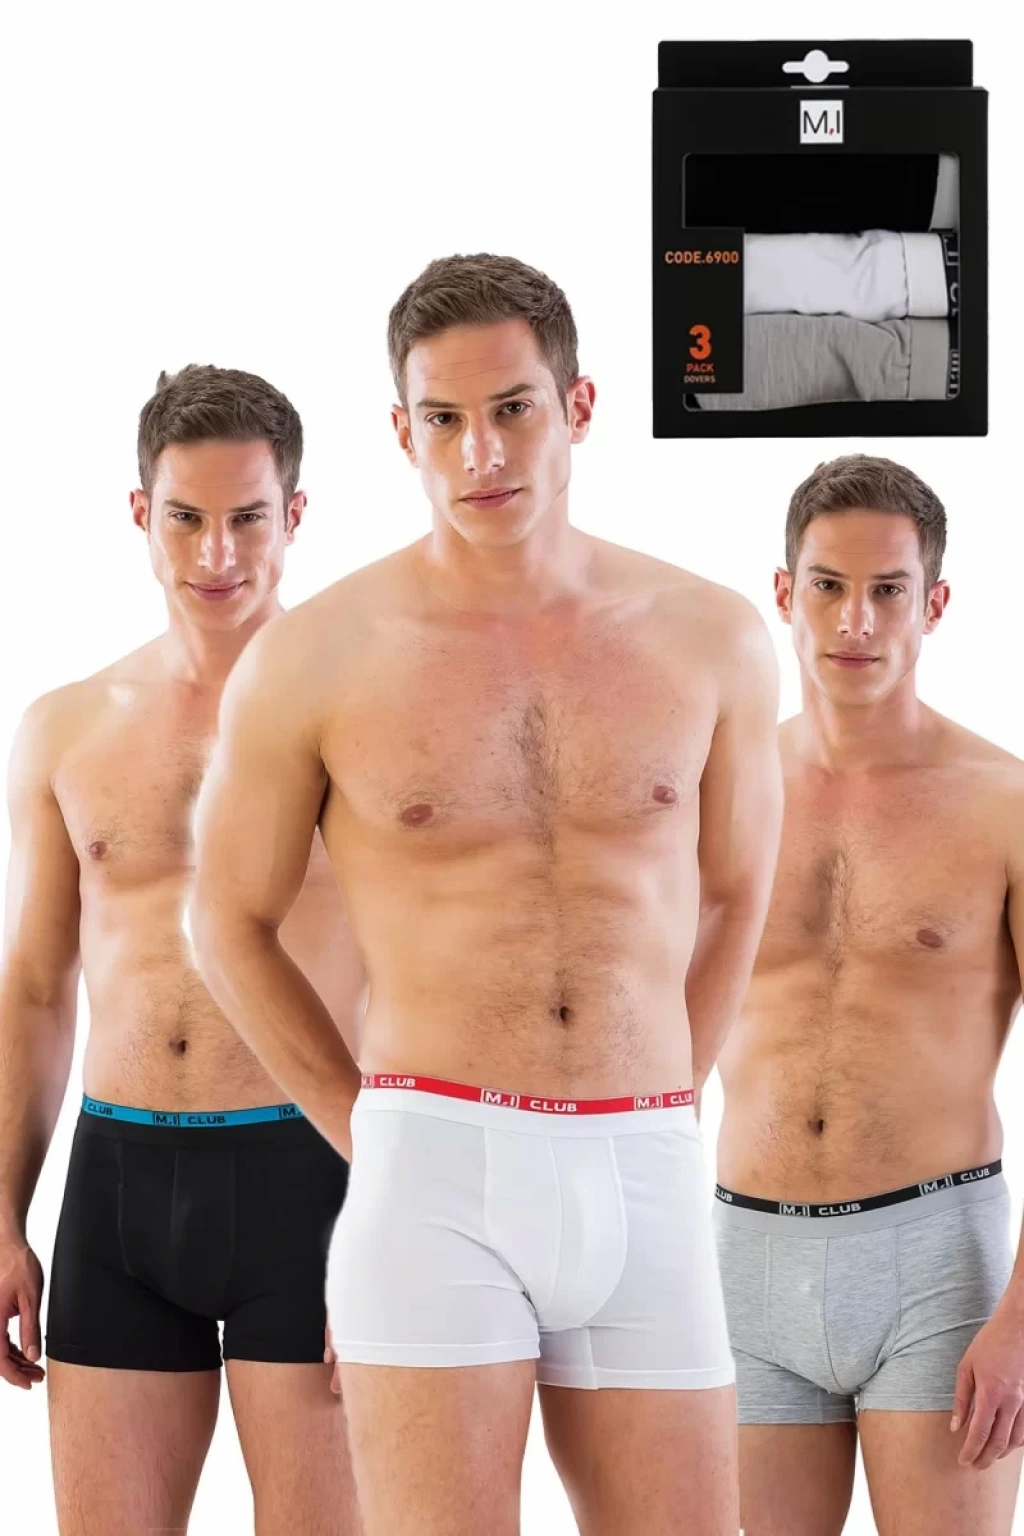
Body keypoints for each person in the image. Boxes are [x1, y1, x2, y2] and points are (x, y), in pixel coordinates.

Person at [190, 253, 783, 1536]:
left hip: (644, 1162)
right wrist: (372, 1130)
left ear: (578, 406)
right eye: (443, 420)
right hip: (432, 1169)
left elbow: (737, 891)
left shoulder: (713, 635)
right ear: (402, 432)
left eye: (512, 408)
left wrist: (672, 1097)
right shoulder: (315, 657)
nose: (480, 453)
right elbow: (225, 918)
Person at [0, 366, 365, 1535]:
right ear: (139, 513)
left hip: (315, 1178)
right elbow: (36, 985)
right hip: (116, 1183)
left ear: (294, 515)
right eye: (186, 517)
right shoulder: (66, 726)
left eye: (248, 517)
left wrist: (404, 1218)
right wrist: (2, 1214)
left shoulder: (363, 717)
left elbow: (436, 978)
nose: (217, 553)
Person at [714, 454, 1024, 1536]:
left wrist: (1022, 1321)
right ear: (783, 592)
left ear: (933, 604)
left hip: (936, 1265)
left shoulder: (1002, 805)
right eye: (828, 586)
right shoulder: (720, 793)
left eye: (889, 590)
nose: (855, 620)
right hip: (746, 1258)